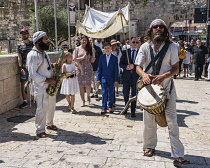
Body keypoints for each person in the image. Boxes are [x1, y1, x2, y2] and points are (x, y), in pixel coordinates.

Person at [135, 19, 190, 166]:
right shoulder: (145, 47)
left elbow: (176, 68)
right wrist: (144, 75)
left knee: (172, 121)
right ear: (151, 30)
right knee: (148, 122)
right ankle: (149, 146)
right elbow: (138, 67)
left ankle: (178, 154)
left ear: (165, 30)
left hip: (167, 89)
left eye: (161, 27)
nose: (158, 29)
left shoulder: (172, 47)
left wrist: (163, 76)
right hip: (149, 90)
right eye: (155, 27)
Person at [27, 31, 58, 138]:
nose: (47, 41)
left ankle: (49, 123)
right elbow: (32, 73)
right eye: (45, 39)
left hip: (49, 85)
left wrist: (53, 66)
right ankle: (40, 130)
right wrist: (48, 80)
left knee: (51, 105)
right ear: (38, 42)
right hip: (40, 87)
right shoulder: (32, 55)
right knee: (42, 108)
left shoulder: (43, 53)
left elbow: (44, 67)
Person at [120, 37, 139, 118]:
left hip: (136, 77)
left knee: (134, 94)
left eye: (136, 42)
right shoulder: (125, 52)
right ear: (130, 43)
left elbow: (142, 64)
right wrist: (126, 67)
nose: (135, 43)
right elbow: (121, 63)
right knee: (125, 93)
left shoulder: (140, 53)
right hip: (126, 76)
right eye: (133, 42)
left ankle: (133, 110)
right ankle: (126, 107)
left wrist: (134, 67)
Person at [96, 42, 119, 115]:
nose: (107, 50)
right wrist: (98, 78)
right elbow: (99, 68)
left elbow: (116, 70)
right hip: (103, 78)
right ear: (104, 49)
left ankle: (110, 106)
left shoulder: (114, 58)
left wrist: (116, 80)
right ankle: (103, 107)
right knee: (104, 93)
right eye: (105, 48)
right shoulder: (101, 57)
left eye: (108, 48)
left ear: (111, 48)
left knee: (111, 93)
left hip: (111, 78)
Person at [73, 35, 95, 106]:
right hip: (80, 69)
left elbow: (92, 61)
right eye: (83, 40)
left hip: (88, 69)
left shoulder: (89, 49)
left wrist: (93, 53)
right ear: (80, 41)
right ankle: (83, 100)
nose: (84, 41)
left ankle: (88, 96)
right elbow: (74, 59)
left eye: (85, 40)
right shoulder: (76, 49)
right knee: (81, 86)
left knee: (88, 85)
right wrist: (82, 58)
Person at [17, 29, 33, 108]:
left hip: (33, 67)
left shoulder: (32, 44)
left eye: (25, 33)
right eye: (22, 34)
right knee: (23, 84)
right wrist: (20, 67)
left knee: (36, 82)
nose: (23, 35)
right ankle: (25, 101)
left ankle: (37, 100)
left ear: (28, 34)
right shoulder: (19, 45)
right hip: (24, 67)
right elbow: (19, 57)